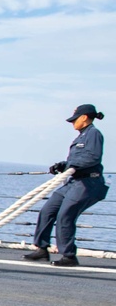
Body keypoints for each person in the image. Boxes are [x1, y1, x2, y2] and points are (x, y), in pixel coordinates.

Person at [23, 104, 108, 267]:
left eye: (74, 120)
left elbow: (93, 158)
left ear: (84, 118)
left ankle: (69, 256)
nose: (72, 123)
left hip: (88, 183)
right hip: (73, 182)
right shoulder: (81, 136)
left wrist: (71, 165)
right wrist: (63, 165)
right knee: (48, 210)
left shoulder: (94, 134)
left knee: (65, 215)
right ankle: (41, 248)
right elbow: (77, 160)